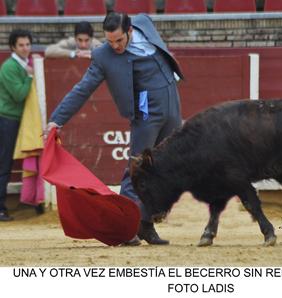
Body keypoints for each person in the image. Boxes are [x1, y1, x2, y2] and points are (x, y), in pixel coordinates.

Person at [44, 12, 184, 245]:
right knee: (137, 168)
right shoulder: (103, 56)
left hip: (172, 105)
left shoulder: (143, 23)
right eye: (110, 41)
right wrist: (57, 119)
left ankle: (145, 224)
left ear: (130, 31)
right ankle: (124, 227)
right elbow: (82, 89)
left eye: (119, 40)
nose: (115, 46)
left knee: (161, 167)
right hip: (146, 111)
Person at [0, 29, 34, 221]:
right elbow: (19, 95)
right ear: (13, 47)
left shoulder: (20, 64)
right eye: (21, 45)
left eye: (27, 44)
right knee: (4, 164)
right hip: (6, 120)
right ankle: (0, 208)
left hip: (14, 119)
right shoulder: (10, 67)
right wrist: (29, 77)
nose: (25, 48)